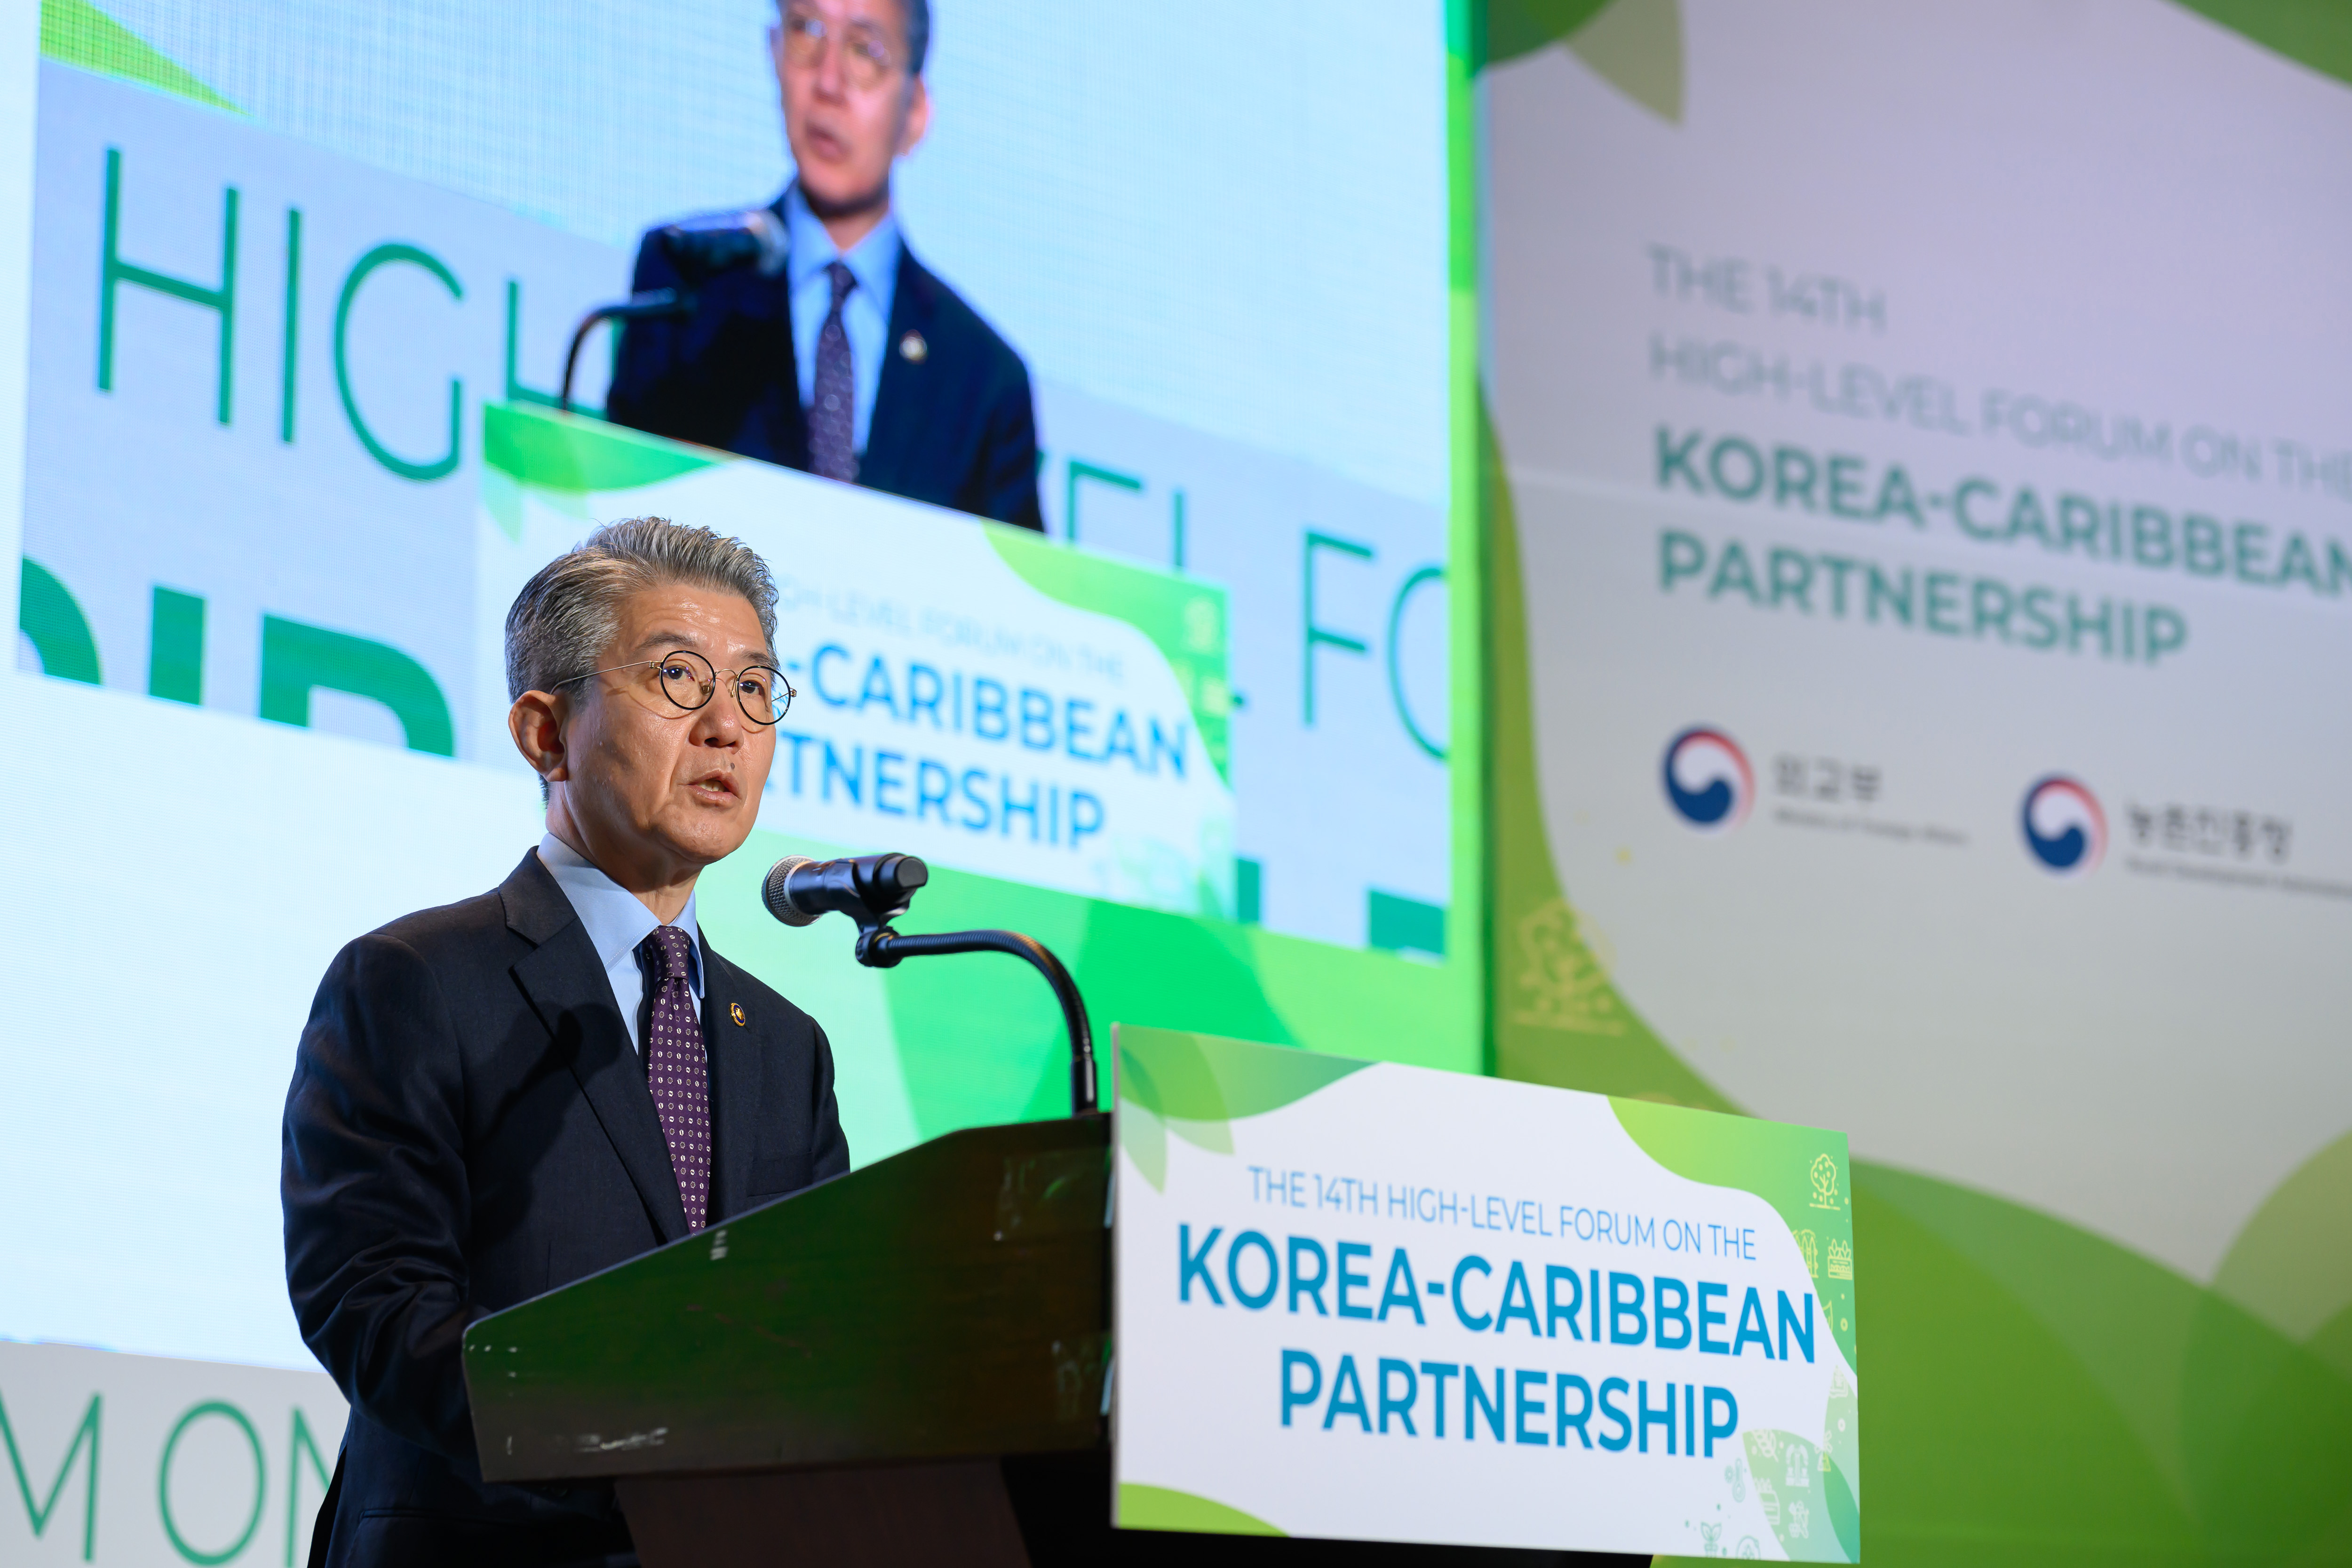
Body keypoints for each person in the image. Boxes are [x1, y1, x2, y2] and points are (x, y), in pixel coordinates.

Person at [283, 517, 850, 1566]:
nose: (726, 726)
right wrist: (638, 1447)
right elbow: (375, 1305)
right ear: (547, 733)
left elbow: (820, 1333)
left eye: (753, 687)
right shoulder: (414, 978)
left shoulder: (787, 1048)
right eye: (678, 678)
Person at [606, 0, 1044, 530]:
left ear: (915, 113)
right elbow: (625, 535)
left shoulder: (984, 379)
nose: (828, 82)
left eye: (865, 51)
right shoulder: (686, 282)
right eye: (807, 32)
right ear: (774, 53)